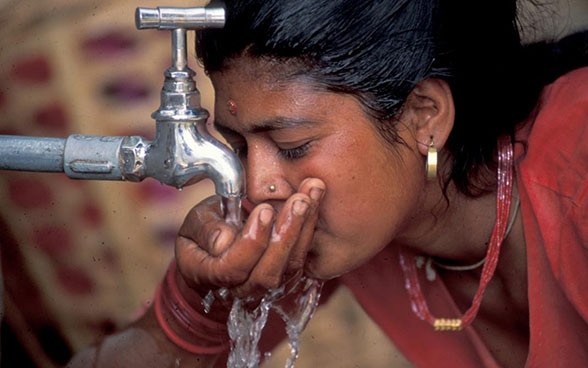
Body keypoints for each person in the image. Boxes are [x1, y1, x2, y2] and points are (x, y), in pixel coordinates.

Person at [67, 0, 588, 367]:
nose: (256, 186)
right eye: (241, 147)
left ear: (423, 115)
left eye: (292, 145)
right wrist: (194, 301)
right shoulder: (364, 223)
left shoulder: (577, 169)